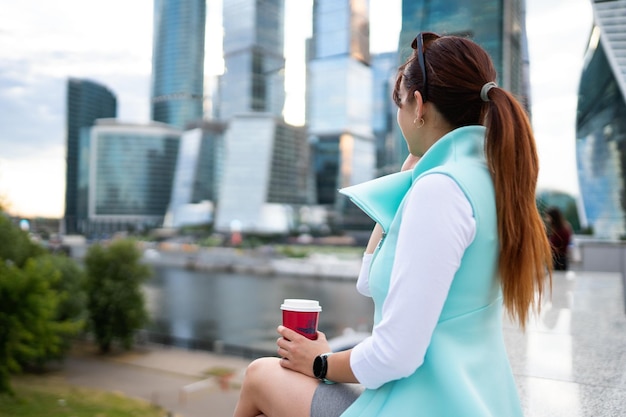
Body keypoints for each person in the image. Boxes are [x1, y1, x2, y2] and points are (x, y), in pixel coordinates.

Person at [233, 32, 553, 417]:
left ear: (418, 106)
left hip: (425, 406)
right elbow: (369, 282)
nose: (399, 116)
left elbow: (395, 354)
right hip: (477, 400)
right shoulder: (488, 178)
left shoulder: (441, 190)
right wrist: (406, 186)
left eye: (399, 103)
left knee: (259, 375)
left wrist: (319, 362)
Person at [545, 206, 573, 271]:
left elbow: (554, 245)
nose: (547, 219)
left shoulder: (560, 231)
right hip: (561, 259)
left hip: (558, 260)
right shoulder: (565, 228)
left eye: (548, 217)